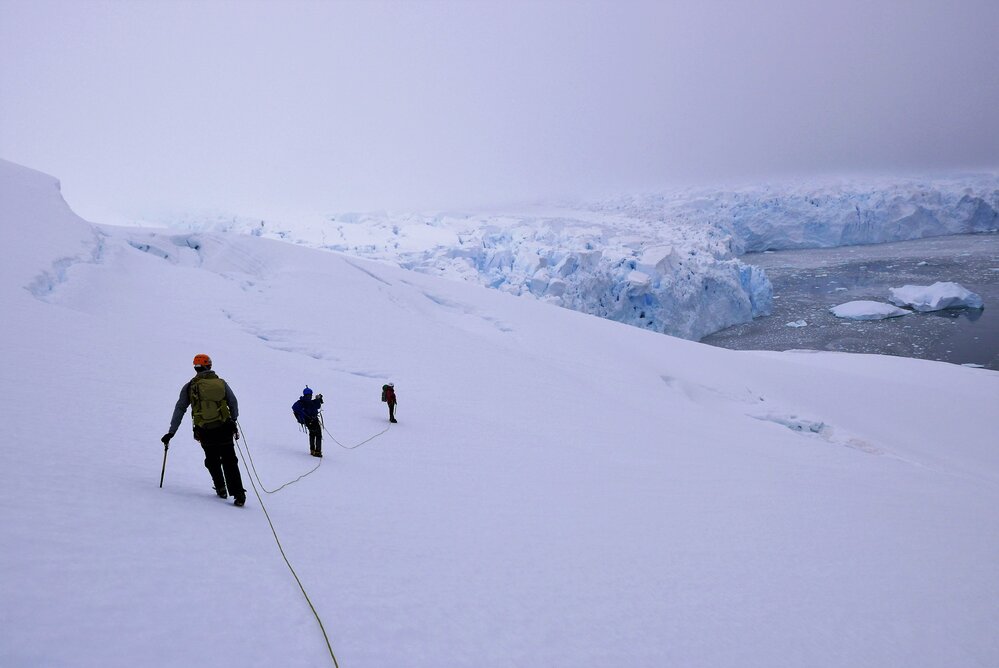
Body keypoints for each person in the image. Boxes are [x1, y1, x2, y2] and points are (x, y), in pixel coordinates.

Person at [161, 354, 246, 507]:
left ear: (195, 367)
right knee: (229, 460)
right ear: (210, 366)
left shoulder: (190, 387)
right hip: (224, 427)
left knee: (212, 459)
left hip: (205, 430)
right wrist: (233, 420)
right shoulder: (221, 383)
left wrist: (171, 432)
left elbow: (180, 408)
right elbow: (233, 402)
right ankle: (238, 494)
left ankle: (220, 488)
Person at [292, 387, 324, 457]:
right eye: (310, 395)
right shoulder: (308, 402)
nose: (310, 396)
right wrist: (318, 399)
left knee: (312, 434)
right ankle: (317, 452)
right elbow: (317, 406)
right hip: (313, 421)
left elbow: (317, 406)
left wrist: (318, 400)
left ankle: (312, 450)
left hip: (308, 422)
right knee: (318, 435)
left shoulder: (302, 402)